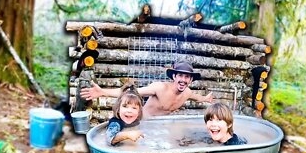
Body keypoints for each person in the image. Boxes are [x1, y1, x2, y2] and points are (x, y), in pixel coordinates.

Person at [80, 61, 213, 117]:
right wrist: (102, 92)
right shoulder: (159, 88)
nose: (183, 80)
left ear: (190, 80)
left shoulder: (187, 92)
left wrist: (205, 99)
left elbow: (197, 98)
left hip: (161, 126)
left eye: (187, 77)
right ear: (174, 76)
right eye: (180, 76)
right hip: (143, 122)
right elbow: (130, 93)